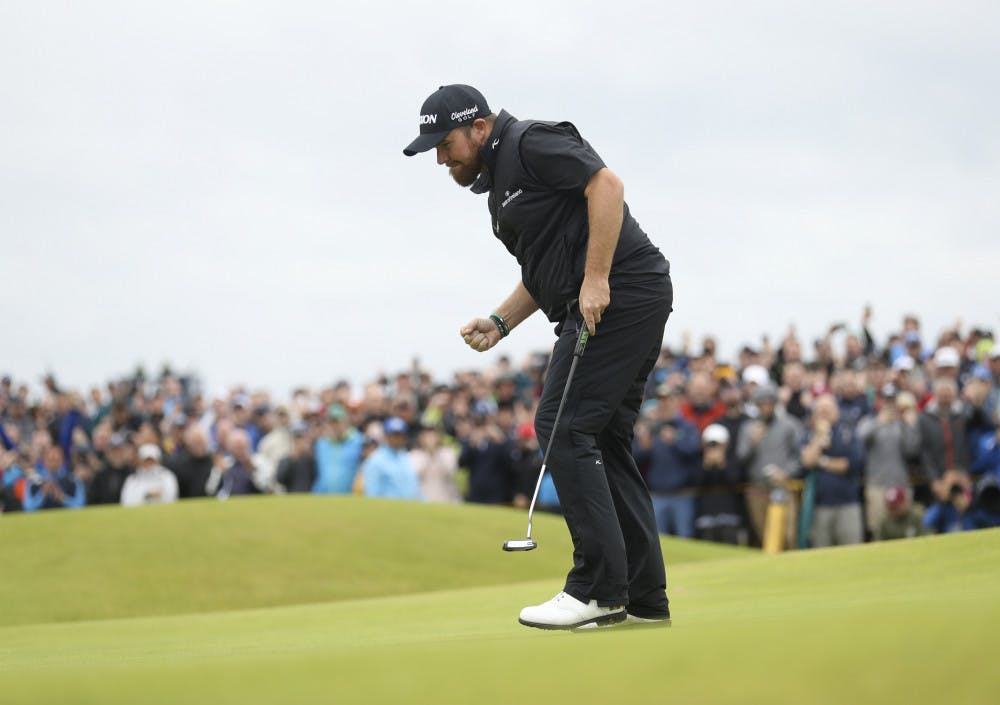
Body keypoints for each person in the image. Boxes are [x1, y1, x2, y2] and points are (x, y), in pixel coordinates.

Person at [404, 84, 673, 629]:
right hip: (615, 297)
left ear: (480, 127)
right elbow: (544, 269)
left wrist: (597, 278)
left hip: (618, 293)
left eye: (446, 144)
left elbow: (606, 185)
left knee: (562, 425)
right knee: (601, 440)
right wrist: (500, 321)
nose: (441, 158)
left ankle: (597, 589)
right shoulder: (500, 187)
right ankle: (645, 599)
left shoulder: (529, 142)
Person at [856, 384, 922, 539]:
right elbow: (859, 441)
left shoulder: (902, 424)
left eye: (892, 400)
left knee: (905, 529)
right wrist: (878, 423)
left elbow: (912, 450)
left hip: (900, 483)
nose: (889, 404)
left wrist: (909, 426)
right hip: (877, 485)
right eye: (886, 400)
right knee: (878, 529)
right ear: (879, 401)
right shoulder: (869, 421)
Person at [800, 394, 864, 548]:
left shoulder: (848, 433)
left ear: (837, 411)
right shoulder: (809, 435)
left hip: (847, 503)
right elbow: (807, 461)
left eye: (827, 410)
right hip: (820, 505)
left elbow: (850, 464)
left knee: (851, 550)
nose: (824, 414)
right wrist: (819, 438)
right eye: (820, 411)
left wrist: (822, 461)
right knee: (821, 551)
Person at [694, 424, 745, 544]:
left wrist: (722, 464)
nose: (714, 449)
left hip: (729, 515)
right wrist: (706, 466)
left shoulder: (733, 461)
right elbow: (697, 484)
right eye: (710, 445)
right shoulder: (699, 462)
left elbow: (734, 481)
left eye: (717, 445)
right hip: (707, 516)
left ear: (725, 445)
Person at [360, 417, 421, 500]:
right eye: (394, 435)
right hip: (387, 507)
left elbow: (413, 487)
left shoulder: (406, 457)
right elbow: (372, 493)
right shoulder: (375, 460)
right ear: (386, 436)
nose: (397, 438)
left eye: (400, 435)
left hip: (410, 506)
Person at [313, 404, 363, 494]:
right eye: (332, 422)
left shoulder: (358, 441)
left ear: (346, 421)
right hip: (323, 497)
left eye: (338, 421)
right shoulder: (321, 444)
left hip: (348, 497)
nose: (335, 425)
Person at [409, 424, 461, 503]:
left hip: (446, 500)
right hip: (422, 500)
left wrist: (435, 453)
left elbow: (451, 473)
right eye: (427, 435)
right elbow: (415, 475)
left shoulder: (448, 453)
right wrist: (428, 454)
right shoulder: (414, 455)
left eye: (433, 435)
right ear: (421, 437)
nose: (430, 438)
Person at [276, 421, 318, 493]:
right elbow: (280, 479)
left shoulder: (311, 458)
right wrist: (291, 459)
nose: (300, 441)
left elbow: (317, 477)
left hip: (309, 496)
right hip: (292, 497)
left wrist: (310, 454)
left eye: (303, 437)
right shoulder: (286, 459)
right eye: (297, 437)